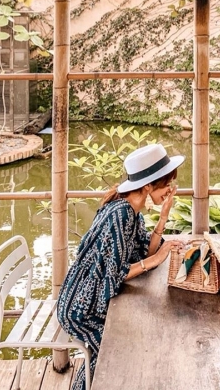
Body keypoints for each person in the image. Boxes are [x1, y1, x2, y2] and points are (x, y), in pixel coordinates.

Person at [57, 143, 185, 390]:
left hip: (89, 301)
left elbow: (145, 252)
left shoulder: (132, 211)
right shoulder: (121, 214)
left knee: (125, 343)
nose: (170, 189)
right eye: (166, 183)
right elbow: (117, 273)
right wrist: (158, 259)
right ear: (148, 186)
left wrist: (163, 218)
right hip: (80, 309)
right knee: (118, 350)